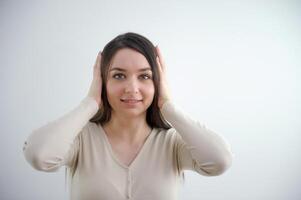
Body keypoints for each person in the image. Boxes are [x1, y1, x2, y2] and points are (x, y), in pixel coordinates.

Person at [23, 32, 233, 200]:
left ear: (158, 83)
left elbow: (219, 161)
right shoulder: (81, 139)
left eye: (145, 76)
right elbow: (39, 155)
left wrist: (167, 106)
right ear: (102, 81)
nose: (132, 88)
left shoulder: (172, 143)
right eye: (119, 75)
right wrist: (91, 103)